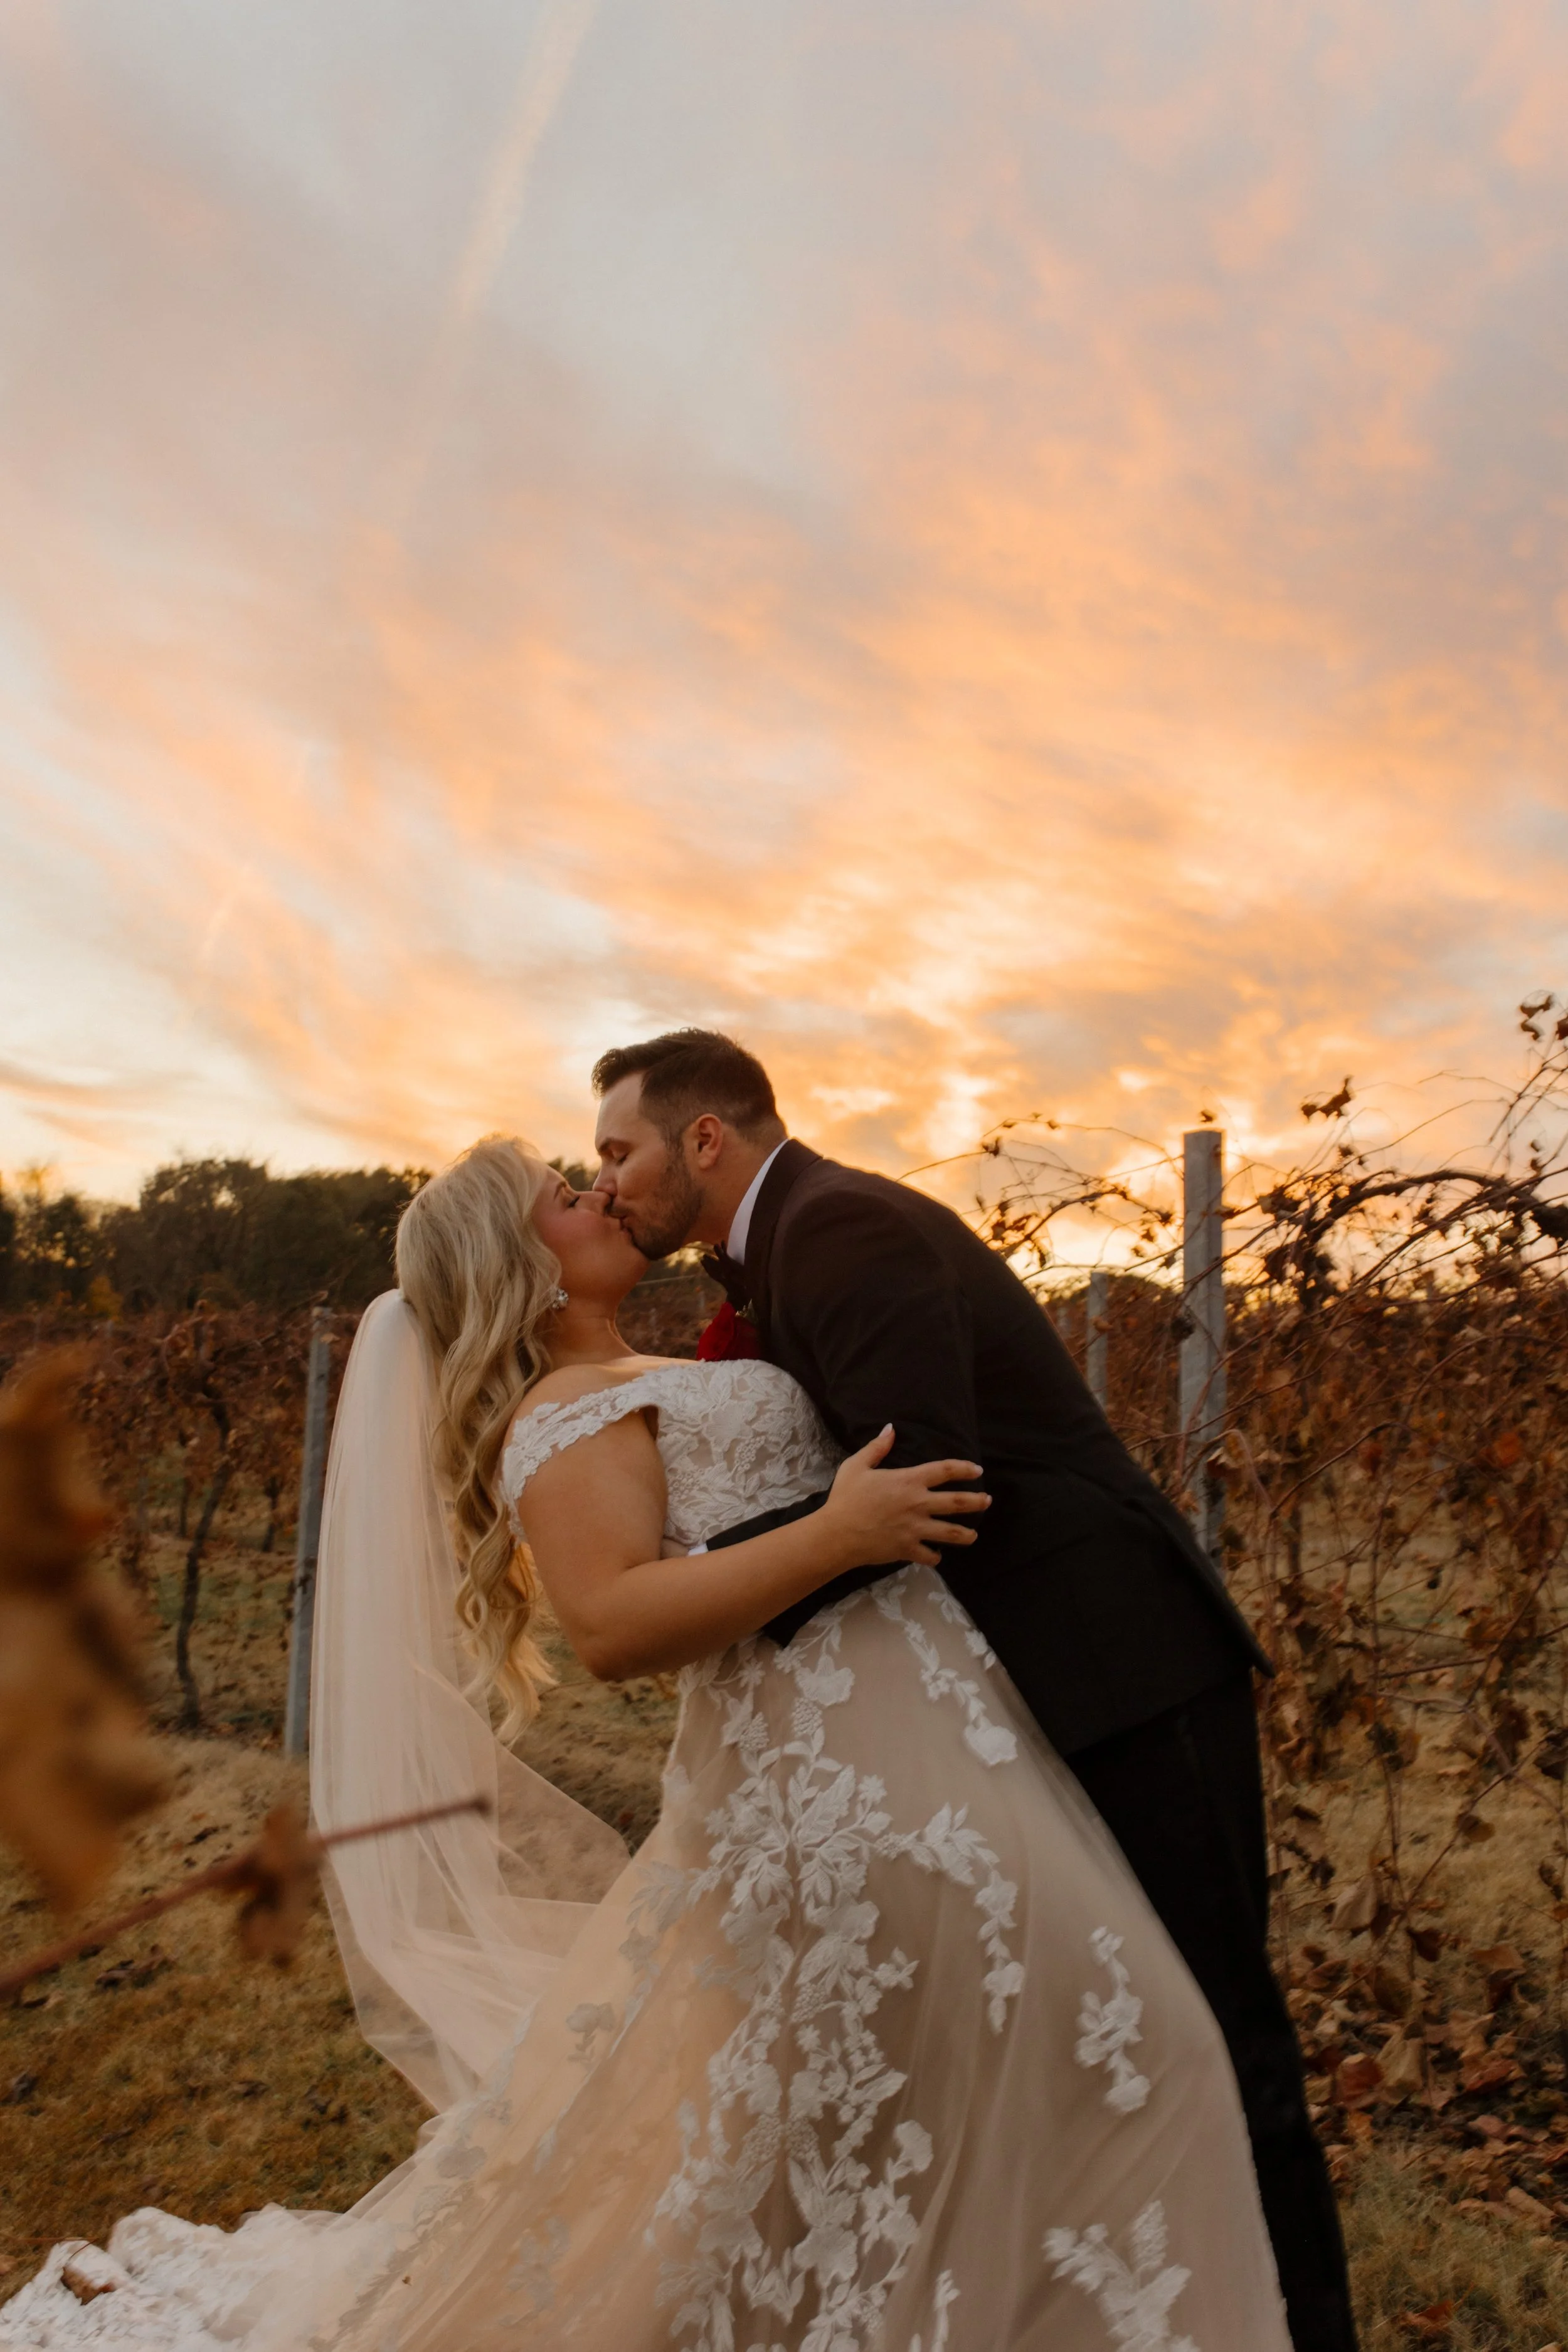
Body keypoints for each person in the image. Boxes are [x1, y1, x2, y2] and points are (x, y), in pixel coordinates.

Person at [4, 1138, 1288, 2351]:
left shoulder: (657, 1366)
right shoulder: (559, 1415)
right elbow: (610, 1624)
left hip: (932, 1742)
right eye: (566, 1194)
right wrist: (840, 1533)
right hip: (825, 1787)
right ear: (525, 1263)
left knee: (945, 2089)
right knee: (1119, 2041)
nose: (598, 1198)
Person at [591, 1029, 1356, 2352]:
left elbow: (923, 1485)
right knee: (1114, 2027)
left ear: (702, 1139)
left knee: (1223, 2036)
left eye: (619, 1149)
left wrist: (692, 1589)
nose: (605, 1180)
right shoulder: (784, 1249)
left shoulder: (834, 1232)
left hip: (1122, 1665)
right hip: (1028, 1686)